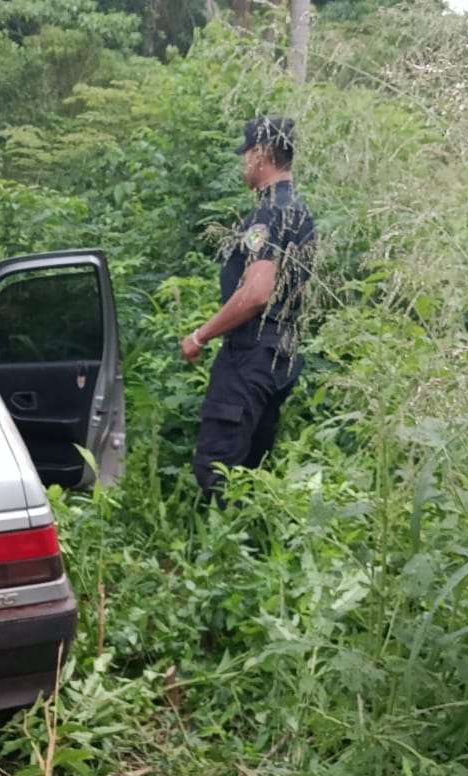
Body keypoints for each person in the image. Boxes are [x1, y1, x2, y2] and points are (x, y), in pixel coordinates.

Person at [181, 114, 317, 495]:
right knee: (250, 471)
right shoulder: (299, 212)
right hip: (282, 351)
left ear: (260, 154)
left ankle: (218, 548)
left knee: (217, 469)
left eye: (246, 154)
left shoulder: (270, 213)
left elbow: (257, 293)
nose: (243, 163)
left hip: (250, 352)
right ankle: (249, 547)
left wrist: (200, 336)